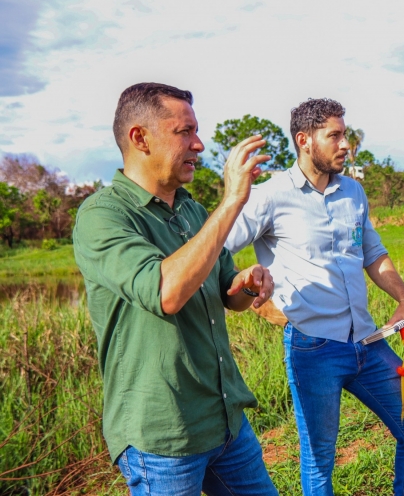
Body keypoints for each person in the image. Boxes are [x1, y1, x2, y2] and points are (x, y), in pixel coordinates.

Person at [73, 82, 279, 495]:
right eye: (184, 131)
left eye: (196, 131)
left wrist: (246, 283)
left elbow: (226, 293)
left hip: (224, 419)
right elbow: (165, 292)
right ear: (140, 138)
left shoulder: (191, 210)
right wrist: (233, 200)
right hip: (163, 436)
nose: (199, 144)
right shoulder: (103, 215)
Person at [225, 98, 404, 496]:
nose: (345, 144)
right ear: (305, 140)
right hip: (313, 349)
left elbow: (373, 254)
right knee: (320, 457)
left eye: (345, 134)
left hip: (368, 344)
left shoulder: (352, 192)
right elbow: (220, 248)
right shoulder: (271, 196)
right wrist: (253, 287)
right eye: (334, 135)